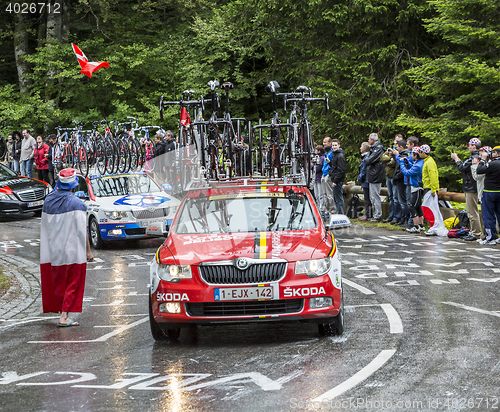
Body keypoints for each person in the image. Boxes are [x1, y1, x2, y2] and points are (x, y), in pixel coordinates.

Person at [40, 168, 94, 326]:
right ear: (74, 185)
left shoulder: (48, 201)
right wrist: (88, 251)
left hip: (53, 250)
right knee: (73, 282)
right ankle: (64, 316)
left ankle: (61, 311)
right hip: (72, 251)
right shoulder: (77, 204)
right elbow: (81, 230)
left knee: (58, 280)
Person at [451, 138, 482, 241]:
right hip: (473, 187)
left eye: (470, 145)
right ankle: (474, 231)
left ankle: (476, 233)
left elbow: (463, 168)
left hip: (471, 187)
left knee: (472, 212)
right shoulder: (478, 156)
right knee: (472, 211)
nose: (468, 147)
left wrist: (456, 158)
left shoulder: (474, 157)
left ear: (474, 146)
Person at [418, 144, 446, 236]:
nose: (419, 154)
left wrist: (434, 190)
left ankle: (434, 227)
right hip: (428, 188)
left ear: (424, 152)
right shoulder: (427, 161)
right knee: (430, 208)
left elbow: (433, 177)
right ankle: (434, 226)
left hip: (430, 189)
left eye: (420, 152)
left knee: (428, 209)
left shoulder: (429, 162)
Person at [476, 146, 500, 245]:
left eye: (493, 152)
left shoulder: (493, 163)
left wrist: (482, 160)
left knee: (488, 214)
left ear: (498, 154)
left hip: (489, 191)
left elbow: (480, 170)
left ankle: (490, 237)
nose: (491, 154)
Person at [399, 147, 424, 233]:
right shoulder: (418, 163)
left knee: (412, 207)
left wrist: (402, 164)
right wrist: (407, 163)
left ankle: (416, 226)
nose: (411, 155)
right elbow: (412, 167)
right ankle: (421, 225)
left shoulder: (418, 165)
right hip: (416, 187)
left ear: (415, 155)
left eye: (412, 154)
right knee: (418, 207)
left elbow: (407, 172)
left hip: (417, 188)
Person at [471, 146, 492, 241]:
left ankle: (488, 235)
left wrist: (474, 165)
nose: (480, 155)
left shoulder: (488, 165)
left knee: (487, 215)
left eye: (482, 153)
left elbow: (476, 176)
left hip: (486, 192)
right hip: (485, 191)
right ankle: (488, 234)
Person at [364, 133, 385, 222]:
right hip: (372, 175)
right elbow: (367, 159)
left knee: (375, 195)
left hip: (376, 174)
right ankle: (375, 214)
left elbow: (369, 159)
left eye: (369, 139)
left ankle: (378, 215)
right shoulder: (373, 149)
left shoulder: (378, 148)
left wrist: (368, 158)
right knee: (372, 196)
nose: (368, 141)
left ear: (372, 140)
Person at [380, 135, 402, 222]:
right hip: (388, 176)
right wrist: (390, 159)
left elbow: (394, 163)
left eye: (398, 142)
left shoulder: (399, 152)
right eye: (396, 141)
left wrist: (390, 160)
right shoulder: (390, 149)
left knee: (396, 198)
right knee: (391, 197)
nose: (396, 143)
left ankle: (397, 216)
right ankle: (391, 215)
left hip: (395, 177)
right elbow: (382, 158)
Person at [391, 140, 410, 226]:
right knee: (400, 200)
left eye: (397, 147)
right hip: (399, 180)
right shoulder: (401, 155)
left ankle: (406, 218)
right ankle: (403, 218)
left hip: (402, 181)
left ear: (401, 147)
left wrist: (396, 177)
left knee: (403, 201)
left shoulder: (404, 155)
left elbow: (403, 168)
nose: (396, 148)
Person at [327, 139, 346, 214]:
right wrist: (330, 163)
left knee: (338, 198)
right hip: (335, 178)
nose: (334, 147)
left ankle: (341, 213)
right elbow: (335, 167)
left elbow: (341, 170)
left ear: (339, 145)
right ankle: (339, 212)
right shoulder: (335, 154)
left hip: (338, 180)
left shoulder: (340, 156)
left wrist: (336, 181)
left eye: (335, 145)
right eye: (333, 145)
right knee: (336, 198)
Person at [321, 136, 337, 219]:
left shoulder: (332, 152)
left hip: (328, 174)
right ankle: (326, 210)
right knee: (324, 194)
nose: (324, 144)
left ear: (330, 143)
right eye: (323, 142)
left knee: (329, 194)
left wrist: (329, 172)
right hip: (324, 173)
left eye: (325, 142)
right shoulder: (326, 152)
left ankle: (332, 211)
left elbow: (332, 164)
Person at [357, 142, 372, 221]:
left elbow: (364, 169)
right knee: (367, 198)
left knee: (367, 198)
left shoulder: (366, 157)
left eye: (361, 147)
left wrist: (360, 178)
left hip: (366, 180)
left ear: (364, 149)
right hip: (366, 179)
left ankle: (368, 214)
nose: (360, 148)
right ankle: (368, 213)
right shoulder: (365, 156)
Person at [312, 145, 326, 218]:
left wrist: (311, 166)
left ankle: (322, 208)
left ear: (319, 151)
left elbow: (318, 168)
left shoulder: (321, 158)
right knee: (316, 194)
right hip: (315, 178)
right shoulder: (316, 157)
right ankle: (317, 207)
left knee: (321, 194)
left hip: (319, 177)